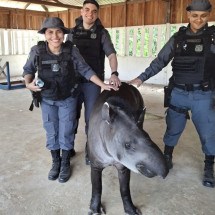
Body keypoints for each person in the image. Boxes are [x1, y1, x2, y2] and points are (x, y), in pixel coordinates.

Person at [129, 0, 215, 188]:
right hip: (178, 92)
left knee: (209, 133)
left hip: (204, 94)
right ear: (188, 15)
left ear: (209, 15)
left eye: (203, 16)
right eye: (194, 15)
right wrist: (140, 78)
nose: (198, 20)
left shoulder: (213, 37)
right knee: (172, 128)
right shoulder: (178, 38)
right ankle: (167, 156)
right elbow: (160, 61)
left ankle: (209, 166)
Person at [23, 17, 117, 183]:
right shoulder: (37, 50)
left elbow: (86, 70)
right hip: (47, 98)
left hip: (68, 98)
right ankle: (56, 162)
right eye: (50, 32)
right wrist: (28, 83)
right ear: (45, 34)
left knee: (66, 129)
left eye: (59, 31)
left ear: (64, 34)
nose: (55, 36)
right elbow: (28, 70)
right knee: (51, 129)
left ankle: (65, 162)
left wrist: (102, 84)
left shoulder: (71, 50)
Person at [66, 0, 121, 164]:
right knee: (70, 116)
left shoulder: (102, 33)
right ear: (81, 12)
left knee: (91, 118)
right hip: (73, 82)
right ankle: (68, 147)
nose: (90, 13)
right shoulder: (71, 32)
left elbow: (111, 55)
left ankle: (91, 149)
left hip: (93, 84)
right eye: (87, 10)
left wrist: (114, 73)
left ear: (97, 14)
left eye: (94, 11)